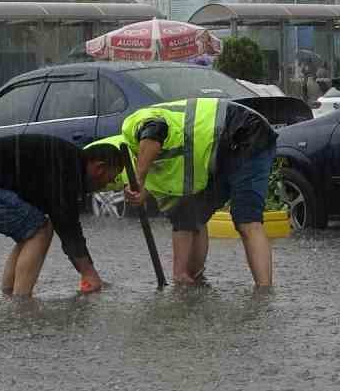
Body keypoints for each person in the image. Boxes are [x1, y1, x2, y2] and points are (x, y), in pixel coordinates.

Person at [112, 97, 277, 287]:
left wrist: (139, 179)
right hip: (220, 148)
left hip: (244, 129)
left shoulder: (132, 127)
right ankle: (192, 279)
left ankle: (264, 296)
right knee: (196, 214)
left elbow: (155, 129)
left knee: (247, 220)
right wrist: (179, 276)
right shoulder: (160, 172)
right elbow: (183, 218)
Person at [0, 134, 124, 298]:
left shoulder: (67, 161)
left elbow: (66, 224)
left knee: (31, 230)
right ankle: (22, 306)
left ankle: (10, 295)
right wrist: (89, 273)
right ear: (99, 168)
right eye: (111, 178)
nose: (108, 184)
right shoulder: (67, 170)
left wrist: (87, 271)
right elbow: (68, 227)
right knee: (39, 230)